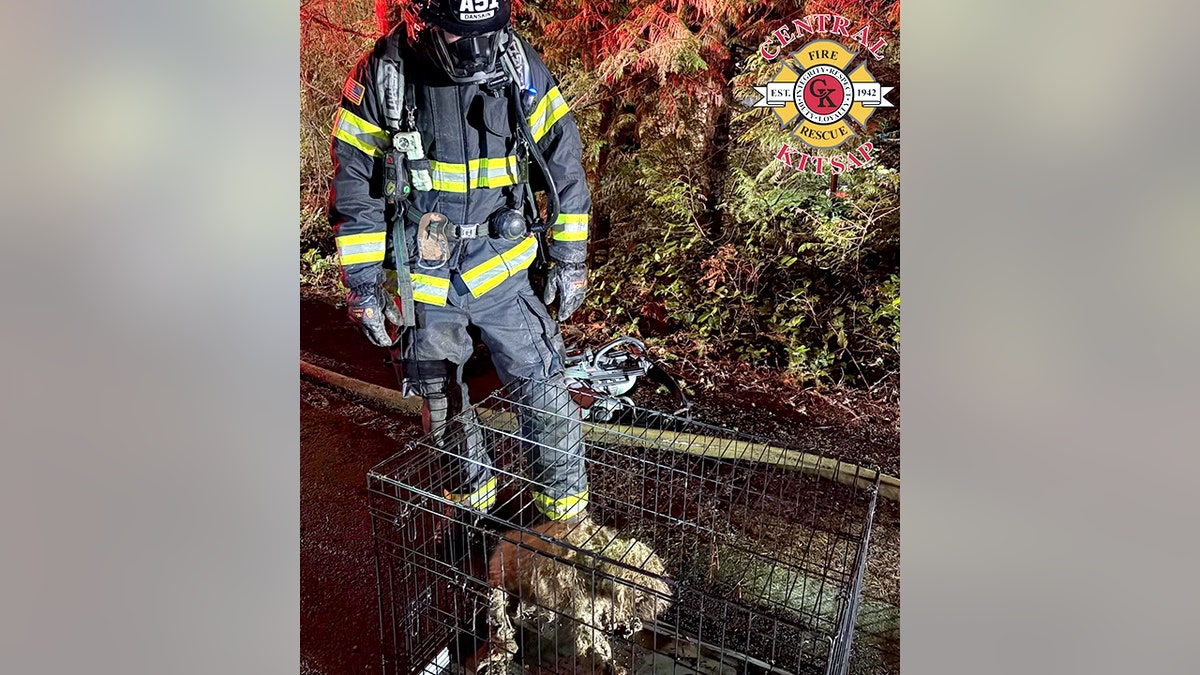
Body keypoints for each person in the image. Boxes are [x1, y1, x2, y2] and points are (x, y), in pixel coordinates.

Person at [328, 0, 591, 521]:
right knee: (441, 400)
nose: (476, 50)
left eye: (488, 33)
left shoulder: (517, 62)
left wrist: (569, 257)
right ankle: (471, 511)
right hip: (425, 280)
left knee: (543, 387)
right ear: (421, 18)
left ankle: (565, 522)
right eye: (457, 36)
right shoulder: (385, 75)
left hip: (504, 269)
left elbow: (563, 160)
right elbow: (354, 185)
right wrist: (362, 285)